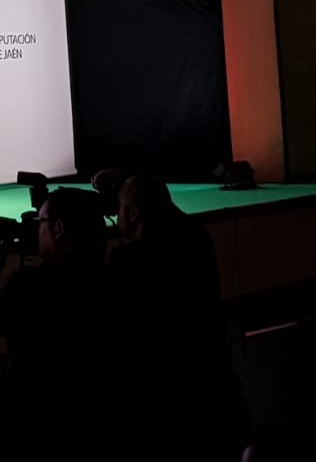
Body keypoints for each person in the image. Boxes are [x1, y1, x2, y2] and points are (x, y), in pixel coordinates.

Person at [106, 174, 249, 462]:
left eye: (120, 208)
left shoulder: (127, 263)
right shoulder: (197, 239)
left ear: (133, 213)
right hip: (211, 390)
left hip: (158, 403)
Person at [0, 187, 113, 461]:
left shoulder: (28, 287)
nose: (37, 229)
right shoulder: (114, 281)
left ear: (58, 229)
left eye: (41, 221)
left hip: (27, 428)